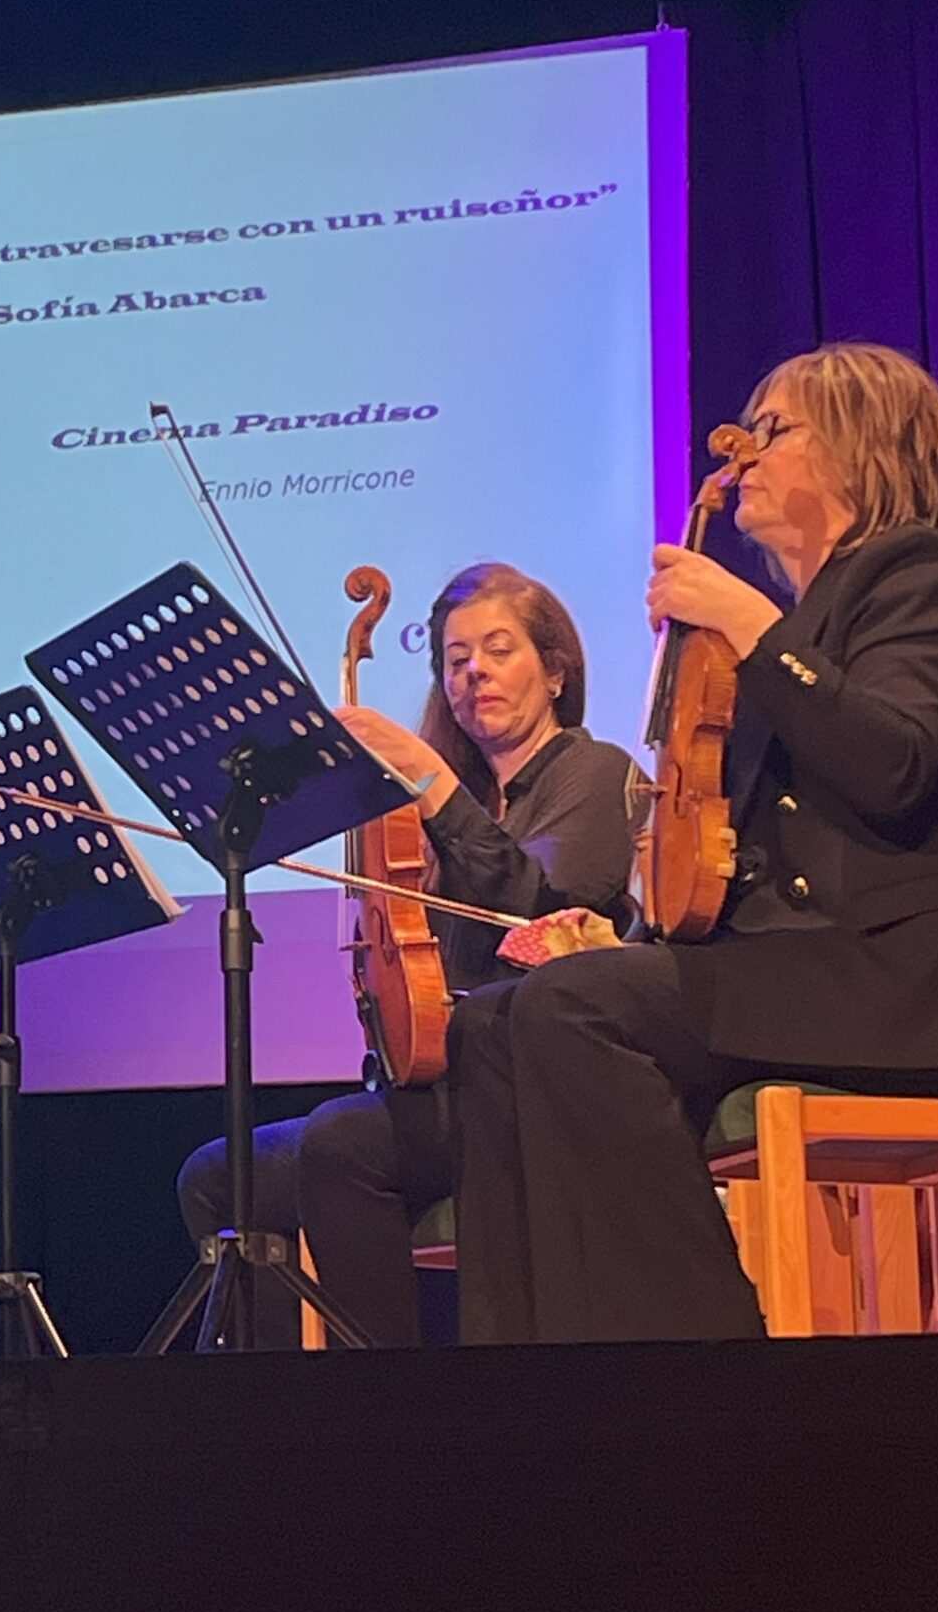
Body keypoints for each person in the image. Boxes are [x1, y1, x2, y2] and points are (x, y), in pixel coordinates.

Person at [450, 341, 938, 1345]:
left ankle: (708, 1366)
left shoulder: (920, 575)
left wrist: (749, 624)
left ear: (862, 444)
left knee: (579, 1009)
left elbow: (897, 763)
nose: (739, 456)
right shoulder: (802, 617)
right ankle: (523, 1373)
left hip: (886, 979)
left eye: (773, 430)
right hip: (784, 968)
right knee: (493, 1025)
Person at [175, 561, 638, 1347]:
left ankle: (388, 1393)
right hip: (441, 1089)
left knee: (341, 1144)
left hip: (530, 1095)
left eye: (498, 651)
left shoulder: (594, 774)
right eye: (456, 659)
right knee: (218, 1180)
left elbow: (541, 911)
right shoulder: (447, 806)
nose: (474, 672)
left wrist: (432, 787)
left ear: (556, 673)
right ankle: (276, 1404)